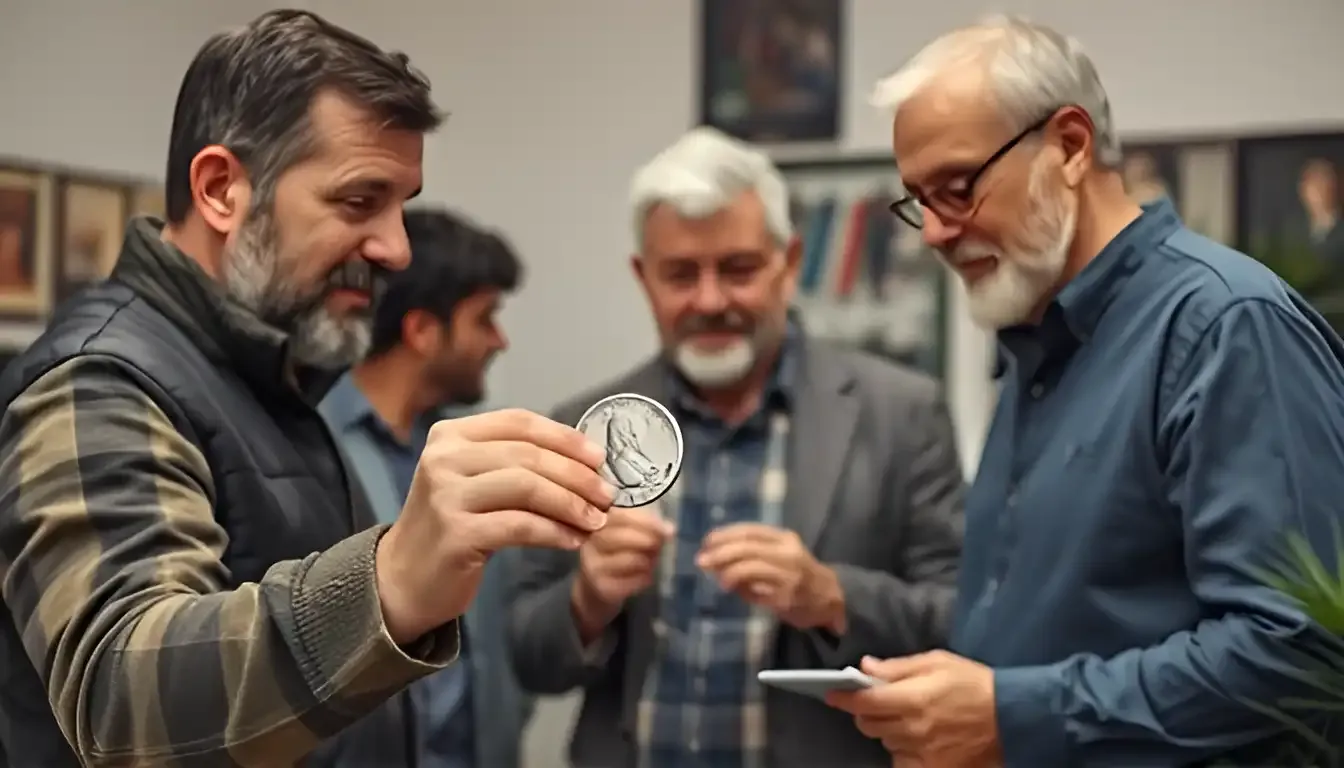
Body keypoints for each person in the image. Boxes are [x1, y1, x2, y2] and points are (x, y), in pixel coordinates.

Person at [0, 10, 613, 767]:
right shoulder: (97, 382)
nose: (395, 249)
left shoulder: (270, 378)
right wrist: (390, 583)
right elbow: (122, 699)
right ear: (222, 190)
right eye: (360, 201)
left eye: (402, 206)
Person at [824, 15, 1344, 767]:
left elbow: (1300, 648)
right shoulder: (1037, 339)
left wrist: (1013, 717)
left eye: (958, 188)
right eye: (918, 201)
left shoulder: (1225, 325)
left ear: (1069, 146)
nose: (934, 232)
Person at [507, 126, 966, 768]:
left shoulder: (902, 414)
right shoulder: (584, 426)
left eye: (739, 269)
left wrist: (832, 596)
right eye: (681, 275)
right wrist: (590, 597)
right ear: (643, 278)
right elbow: (526, 656)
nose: (711, 299)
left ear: (790, 262)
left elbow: (961, 620)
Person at [315, 207, 531, 768]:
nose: (500, 340)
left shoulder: (473, 451)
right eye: (485, 319)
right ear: (422, 331)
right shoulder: (310, 450)